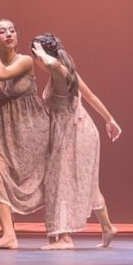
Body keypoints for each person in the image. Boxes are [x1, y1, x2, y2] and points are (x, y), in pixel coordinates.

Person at [31, 33, 121, 249]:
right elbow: (91, 97)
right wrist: (109, 119)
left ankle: (65, 238)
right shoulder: (62, 72)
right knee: (82, 184)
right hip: (73, 133)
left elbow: (88, 96)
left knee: (63, 181)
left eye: (35, 55)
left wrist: (42, 54)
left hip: (76, 134)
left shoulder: (59, 70)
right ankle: (108, 227)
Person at [0, 19, 50, 250]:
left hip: (32, 131)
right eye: (2, 31)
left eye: (12, 30)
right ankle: (9, 235)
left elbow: (3, 74)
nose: (8, 34)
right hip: (6, 134)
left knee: (48, 179)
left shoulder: (25, 61)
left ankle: (60, 234)